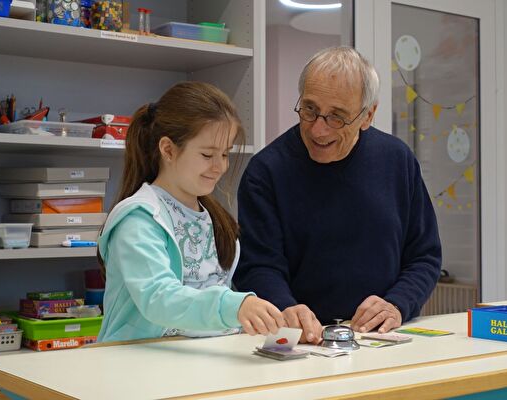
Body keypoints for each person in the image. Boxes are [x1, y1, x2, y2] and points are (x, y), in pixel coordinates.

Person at [233, 46, 442, 344]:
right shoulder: (266, 171)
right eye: (309, 110)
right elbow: (257, 266)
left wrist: (397, 303)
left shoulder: (397, 161)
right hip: (300, 340)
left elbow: (424, 255)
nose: (318, 129)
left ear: (367, 115)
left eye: (337, 117)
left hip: (381, 337)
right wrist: (286, 308)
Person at [97, 81, 285, 343]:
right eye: (208, 154)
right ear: (168, 149)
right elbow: (159, 297)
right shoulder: (138, 219)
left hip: (201, 362)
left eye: (225, 154)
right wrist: (232, 307)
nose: (220, 166)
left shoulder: (212, 215)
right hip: (140, 366)